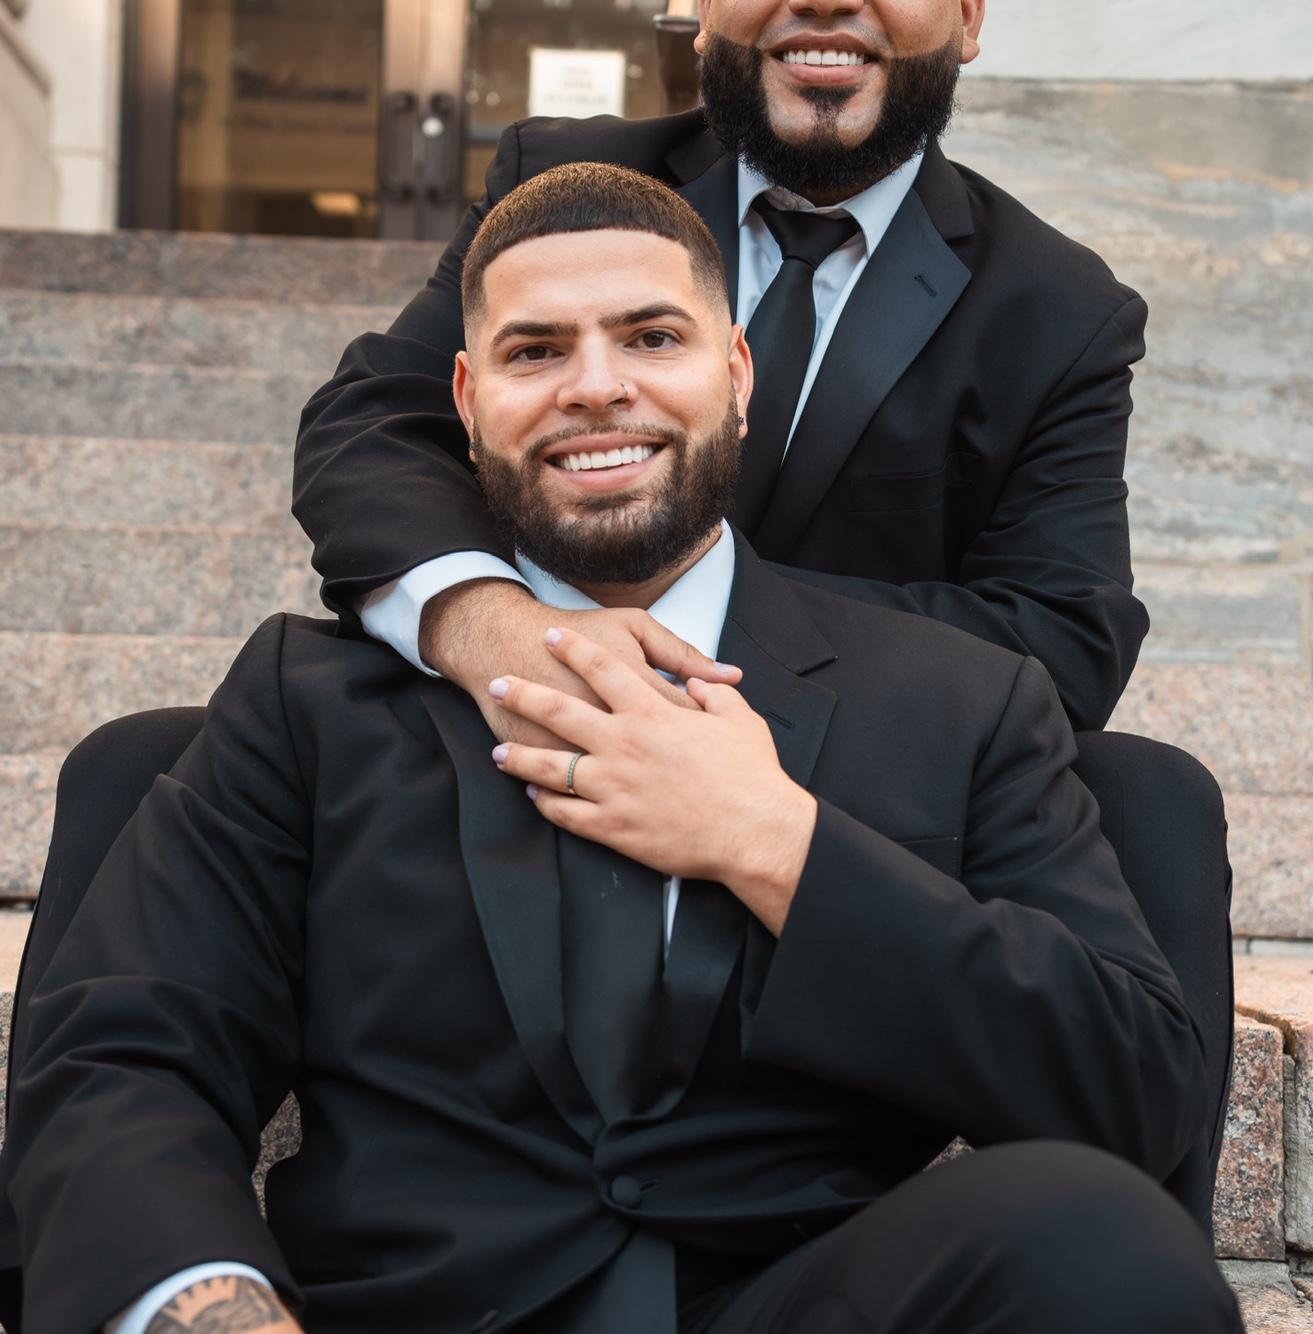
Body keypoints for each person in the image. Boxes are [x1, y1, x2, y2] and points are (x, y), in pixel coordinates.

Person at [5, 165, 1240, 1334]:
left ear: (737, 372)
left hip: (790, 1298)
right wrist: (213, 1307)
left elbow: (1129, 1088)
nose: (595, 387)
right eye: (534, 351)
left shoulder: (957, 699)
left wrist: (777, 845)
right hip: (404, 1310)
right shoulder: (306, 700)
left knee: (1099, 1238)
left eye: (651, 337)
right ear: (465, 402)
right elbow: (129, 1054)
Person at [291, 0, 1234, 1228]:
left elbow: (1061, 628)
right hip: (533, 695)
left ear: (966, 17)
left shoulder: (1057, 304)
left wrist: (715, 634)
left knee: (1151, 802)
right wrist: (498, 626)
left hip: (856, 767)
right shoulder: (564, 185)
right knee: (159, 761)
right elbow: (375, 430)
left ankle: (1138, 1258)